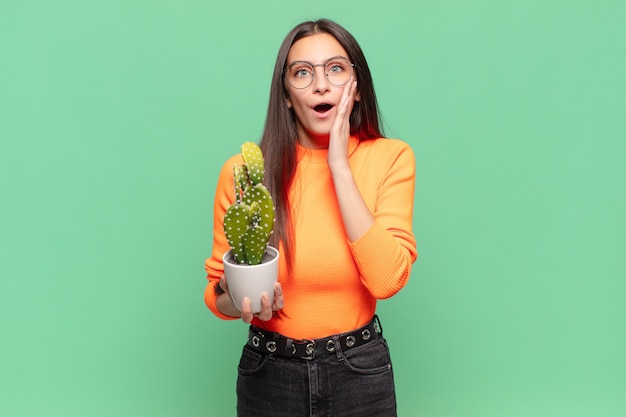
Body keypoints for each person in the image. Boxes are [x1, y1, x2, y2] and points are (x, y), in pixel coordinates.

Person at [204, 18, 417, 417]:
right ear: (285, 94)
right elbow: (215, 294)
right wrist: (240, 300)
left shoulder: (391, 158)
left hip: (360, 371)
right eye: (302, 73)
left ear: (356, 88)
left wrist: (339, 167)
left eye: (335, 69)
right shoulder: (246, 172)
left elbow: (388, 280)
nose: (320, 84)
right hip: (270, 372)